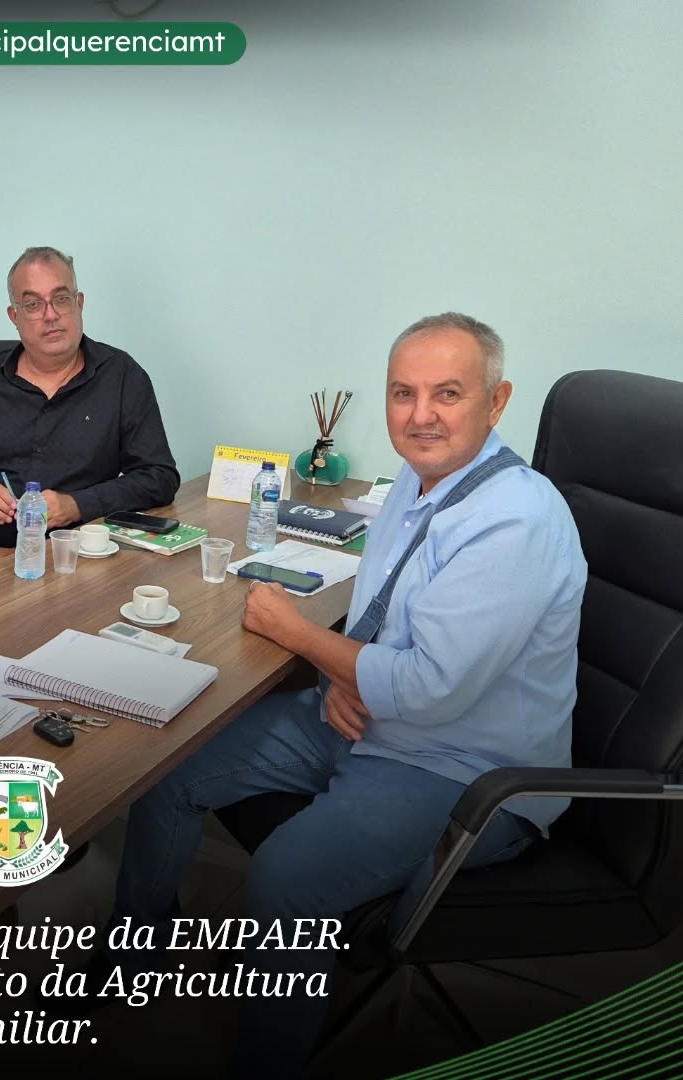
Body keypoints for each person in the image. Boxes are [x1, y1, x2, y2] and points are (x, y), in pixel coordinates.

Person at [99, 312, 587, 1075]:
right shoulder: (416, 485)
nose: (420, 415)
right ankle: (138, 961)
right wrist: (339, 674)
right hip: (370, 717)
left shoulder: (516, 520)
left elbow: (428, 689)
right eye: (403, 393)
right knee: (170, 764)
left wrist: (299, 637)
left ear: (497, 403)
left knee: (286, 879)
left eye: (448, 394)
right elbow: (374, 615)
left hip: (466, 771)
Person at [0, 246, 179, 592]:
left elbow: (159, 477)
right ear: (14, 315)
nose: (50, 315)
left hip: (74, 552)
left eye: (61, 299)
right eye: (33, 304)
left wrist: (76, 505)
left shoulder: (123, 377)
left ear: (79, 303)